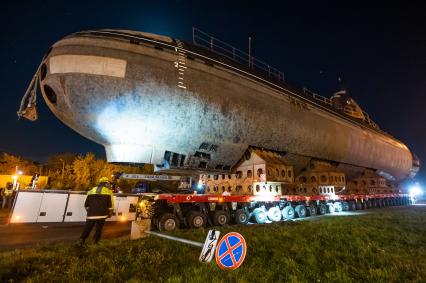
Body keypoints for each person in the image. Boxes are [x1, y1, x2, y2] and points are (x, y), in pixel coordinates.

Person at [79, 177, 114, 244]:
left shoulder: (91, 190)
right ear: (105, 183)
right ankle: (95, 241)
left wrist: (90, 211)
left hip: (91, 214)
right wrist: (110, 213)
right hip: (102, 214)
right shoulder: (109, 192)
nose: (108, 185)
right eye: (108, 183)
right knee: (99, 229)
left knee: (88, 227)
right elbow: (111, 204)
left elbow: (86, 204)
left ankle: (82, 240)